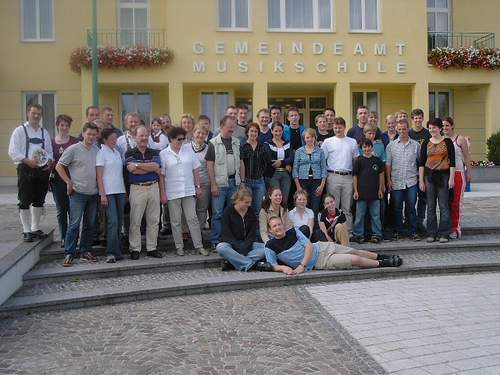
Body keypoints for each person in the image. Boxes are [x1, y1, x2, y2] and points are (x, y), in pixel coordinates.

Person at [264, 216, 402, 275]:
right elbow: (272, 264)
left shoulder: (293, 231)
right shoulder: (270, 246)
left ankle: (383, 256)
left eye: (279, 224)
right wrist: (283, 268)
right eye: (274, 226)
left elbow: (309, 246)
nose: (277, 228)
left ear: (282, 224)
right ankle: (383, 263)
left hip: (321, 247)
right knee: (354, 260)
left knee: (354, 251)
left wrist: (301, 266)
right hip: (320, 261)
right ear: (270, 230)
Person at [56, 122, 100, 266]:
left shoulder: (97, 149)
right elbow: (59, 166)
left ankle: (85, 251)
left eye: (94, 134)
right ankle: (69, 253)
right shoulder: (73, 149)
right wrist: (68, 181)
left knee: (90, 224)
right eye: (89, 134)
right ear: (83, 134)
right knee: (74, 224)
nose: (91, 137)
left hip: (93, 193)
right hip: (78, 193)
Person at [8, 104, 54, 242]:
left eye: (39, 114)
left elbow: (50, 152)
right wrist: (27, 161)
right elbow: (12, 151)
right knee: (24, 199)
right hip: (25, 168)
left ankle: (35, 228)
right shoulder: (19, 131)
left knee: (39, 199)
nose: (36, 116)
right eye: (34, 113)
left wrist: (49, 161)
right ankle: (26, 230)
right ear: (28, 113)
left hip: (42, 170)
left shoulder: (44, 132)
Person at [160, 127, 207, 256]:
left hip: (188, 189)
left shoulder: (188, 150)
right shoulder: (163, 154)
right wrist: (163, 193)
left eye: (183, 138)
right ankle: (179, 247)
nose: (181, 141)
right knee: (175, 221)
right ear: (171, 139)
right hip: (172, 191)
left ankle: (199, 245)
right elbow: (162, 176)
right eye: (178, 139)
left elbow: (196, 169)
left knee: (192, 218)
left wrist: (198, 187)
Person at [125, 126, 163, 259]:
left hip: (153, 187)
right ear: (135, 137)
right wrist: (150, 168)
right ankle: (135, 248)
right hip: (137, 188)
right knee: (135, 220)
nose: (144, 138)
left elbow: (156, 166)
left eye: (146, 135)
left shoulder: (155, 152)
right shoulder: (129, 153)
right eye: (141, 135)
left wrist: (138, 165)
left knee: (153, 220)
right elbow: (131, 170)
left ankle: (152, 248)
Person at [206, 115, 242, 248]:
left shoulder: (237, 142)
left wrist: (242, 182)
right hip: (220, 185)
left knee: (232, 213)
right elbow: (209, 165)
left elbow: (241, 163)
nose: (232, 129)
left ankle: (229, 240)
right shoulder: (213, 143)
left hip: (234, 183)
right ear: (221, 126)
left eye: (234, 127)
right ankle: (215, 240)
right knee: (218, 214)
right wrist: (213, 185)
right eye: (229, 127)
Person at [419, 118, 455, 243]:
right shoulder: (425, 143)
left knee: (444, 205)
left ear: (440, 128)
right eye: (429, 128)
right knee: (430, 206)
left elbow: (452, 162)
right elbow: (421, 164)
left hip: (444, 177)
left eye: (434, 127)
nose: (432, 130)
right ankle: (431, 233)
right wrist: (421, 181)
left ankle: (444, 233)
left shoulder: (447, 142)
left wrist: (451, 178)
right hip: (429, 177)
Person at [386, 119, 421, 241]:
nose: (402, 131)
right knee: (397, 208)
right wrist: (388, 180)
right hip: (396, 181)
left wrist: (420, 179)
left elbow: (420, 163)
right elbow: (388, 164)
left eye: (404, 129)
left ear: (408, 129)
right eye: (399, 129)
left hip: (411, 181)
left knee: (411, 207)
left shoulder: (416, 145)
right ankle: (399, 231)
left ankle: (413, 231)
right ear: (396, 129)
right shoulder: (391, 146)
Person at [321, 117, 359, 229]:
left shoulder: (352, 142)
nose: (338, 130)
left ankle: (347, 231)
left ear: (344, 127)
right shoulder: (328, 142)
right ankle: (333, 230)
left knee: (347, 206)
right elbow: (322, 160)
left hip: (348, 177)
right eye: (335, 128)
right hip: (333, 176)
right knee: (333, 206)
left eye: (340, 127)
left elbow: (355, 161)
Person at [216, 190, 268, 271]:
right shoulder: (228, 211)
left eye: (250, 202)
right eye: (246, 202)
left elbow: (252, 234)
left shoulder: (250, 212)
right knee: (220, 247)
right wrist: (238, 247)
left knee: (268, 248)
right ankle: (251, 264)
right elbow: (226, 234)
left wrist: (245, 247)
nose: (249, 205)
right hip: (232, 245)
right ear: (238, 201)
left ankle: (232, 262)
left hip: (248, 244)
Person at [96, 128, 126, 263]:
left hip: (119, 190)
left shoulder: (116, 153)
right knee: (112, 221)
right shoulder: (101, 153)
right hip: (108, 192)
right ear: (105, 140)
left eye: (116, 139)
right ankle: (111, 251)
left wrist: (124, 191)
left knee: (119, 221)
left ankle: (118, 250)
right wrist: (102, 194)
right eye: (112, 139)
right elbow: (99, 176)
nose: (115, 141)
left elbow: (119, 174)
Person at [50, 114, 78, 247]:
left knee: (73, 210)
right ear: (57, 126)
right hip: (58, 180)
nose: (64, 128)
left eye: (67, 125)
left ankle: (73, 237)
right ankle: (63, 237)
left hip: (73, 179)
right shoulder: (51, 142)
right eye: (62, 125)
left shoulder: (74, 141)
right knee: (61, 210)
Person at [443, 117, 472, 239]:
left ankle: (456, 228)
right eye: (443, 126)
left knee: (456, 203)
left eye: (447, 126)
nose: (445, 128)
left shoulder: (459, 139)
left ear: (452, 126)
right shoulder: (441, 140)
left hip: (458, 173)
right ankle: (447, 227)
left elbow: (466, 157)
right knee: (446, 203)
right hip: (445, 174)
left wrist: (469, 172)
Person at [352, 139, 385, 244]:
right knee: (360, 215)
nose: (367, 149)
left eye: (368, 147)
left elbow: (381, 175)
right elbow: (355, 176)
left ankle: (377, 234)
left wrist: (380, 189)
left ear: (372, 147)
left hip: (375, 193)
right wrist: (355, 191)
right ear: (361, 149)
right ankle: (358, 235)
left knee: (375, 215)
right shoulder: (359, 161)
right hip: (361, 192)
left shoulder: (377, 161)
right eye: (364, 147)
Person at [292, 128, 327, 216]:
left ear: (315, 138)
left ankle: (313, 227)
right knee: (303, 204)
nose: (310, 139)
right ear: (304, 139)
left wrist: (322, 185)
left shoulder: (320, 151)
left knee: (315, 206)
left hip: (317, 181)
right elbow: (295, 169)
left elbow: (324, 168)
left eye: (312, 137)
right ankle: (303, 226)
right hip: (302, 181)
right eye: (307, 137)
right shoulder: (299, 151)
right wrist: (298, 186)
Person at [240, 123, 268, 216]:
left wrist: (261, 173)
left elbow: (265, 163)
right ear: (247, 132)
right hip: (247, 181)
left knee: (258, 209)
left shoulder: (262, 147)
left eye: (256, 131)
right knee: (247, 208)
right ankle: (247, 230)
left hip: (259, 182)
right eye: (251, 131)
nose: (253, 133)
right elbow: (241, 164)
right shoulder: (243, 147)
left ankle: (256, 230)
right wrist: (242, 182)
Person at [410, 108, 431, 234]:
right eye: (415, 118)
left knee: (423, 198)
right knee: (411, 199)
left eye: (419, 118)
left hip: (426, 172)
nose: (418, 120)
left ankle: (420, 221)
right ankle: (411, 221)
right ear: (412, 120)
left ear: (423, 118)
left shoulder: (428, 133)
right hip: (412, 172)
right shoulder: (409, 133)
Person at [263, 122, 293, 203]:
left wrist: (282, 162)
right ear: (272, 131)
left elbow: (291, 158)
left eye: (280, 131)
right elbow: (270, 160)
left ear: (283, 131)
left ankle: (283, 215)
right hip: (273, 174)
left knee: (284, 199)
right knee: (276, 198)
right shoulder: (267, 144)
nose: (278, 133)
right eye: (276, 131)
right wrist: (285, 164)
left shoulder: (288, 143)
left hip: (286, 175)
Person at [191, 124, 211, 234]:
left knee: (202, 209)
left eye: (203, 133)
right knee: (189, 211)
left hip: (205, 183)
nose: (200, 135)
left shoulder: (209, 148)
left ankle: (198, 233)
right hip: (190, 184)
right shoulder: (186, 148)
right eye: (198, 132)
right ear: (193, 133)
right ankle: (187, 232)